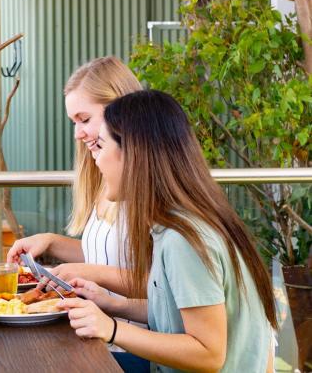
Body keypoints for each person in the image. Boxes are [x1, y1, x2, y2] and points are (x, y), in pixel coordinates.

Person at [59, 90, 276, 372]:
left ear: (133, 155)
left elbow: (208, 354)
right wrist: (112, 304)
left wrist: (111, 329)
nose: (96, 161)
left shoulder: (183, 240)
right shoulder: (174, 224)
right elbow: (177, 315)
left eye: (101, 147)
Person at [7, 56, 142, 295]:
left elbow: (162, 284)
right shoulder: (104, 179)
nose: (78, 134)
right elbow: (107, 254)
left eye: (85, 119)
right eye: (74, 123)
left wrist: (85, 272)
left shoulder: (148, 185)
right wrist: (50, 241)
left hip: (127, 329)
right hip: (99, 322)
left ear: (122, 110)